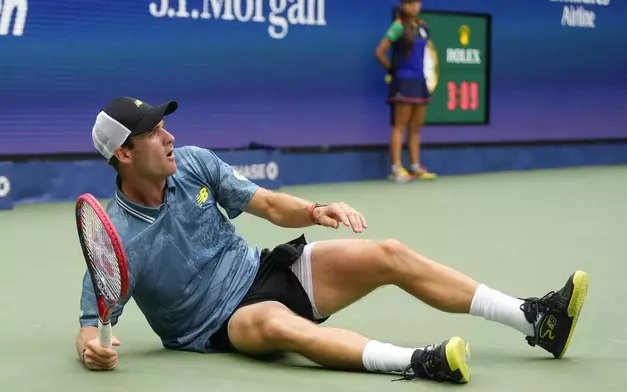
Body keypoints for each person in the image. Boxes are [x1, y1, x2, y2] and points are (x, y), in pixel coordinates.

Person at [77, 96, 589, 384]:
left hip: (263, 270)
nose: (169, 137)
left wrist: (316, 210)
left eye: (166, 126)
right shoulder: (116, 238)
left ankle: (534, 318)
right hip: (220, 324)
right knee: (276, 322)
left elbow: (270, 205)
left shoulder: (192, 163)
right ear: (124, 154)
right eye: (154, 133)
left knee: (388, 254)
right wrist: (92, 351)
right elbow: (88, 327)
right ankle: (420, 362)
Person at [375, 0, 438, 183]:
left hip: (420, 82)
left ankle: (416, 167)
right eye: (410, 3)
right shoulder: (398, 26)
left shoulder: (423, 26)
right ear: (403, 6)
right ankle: (396, 169)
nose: (415, 6)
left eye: (417, 3)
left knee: (416, 128)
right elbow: (379, 52)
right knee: (400, 126)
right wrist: (392, 70)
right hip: (403, 82)